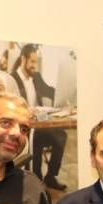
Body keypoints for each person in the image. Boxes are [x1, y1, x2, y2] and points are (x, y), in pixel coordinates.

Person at [13, 43, 66, 188]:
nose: (35, 66)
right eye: (32, 62)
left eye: (36, 62)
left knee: (61, 135)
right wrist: (26, 110)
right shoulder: (13, 79)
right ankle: (35, 179)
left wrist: (64, 95)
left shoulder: (35, 76)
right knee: (36, 139)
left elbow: (49, 91)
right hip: (23, 126)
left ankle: (50, 176)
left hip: (38, 123)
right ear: (23, 59)